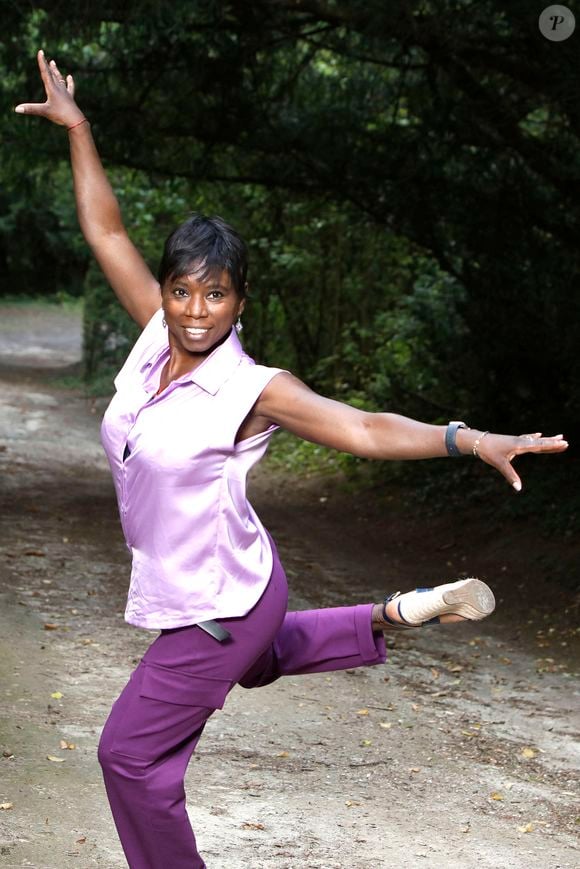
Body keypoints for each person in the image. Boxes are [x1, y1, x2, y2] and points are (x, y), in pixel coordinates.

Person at [15, 50, 568, 869]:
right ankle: (396, 613)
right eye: (182, 290)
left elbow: (366, 428)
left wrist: (469, 438)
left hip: (221, 604)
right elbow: (106, 229)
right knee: (256, 657)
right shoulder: (153, 338)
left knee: (128, 754)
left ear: (240, 301)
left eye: (216, 294)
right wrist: (79, 128)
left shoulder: (254, 387)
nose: (195, 310)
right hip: (239, 579)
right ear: (164, 291)